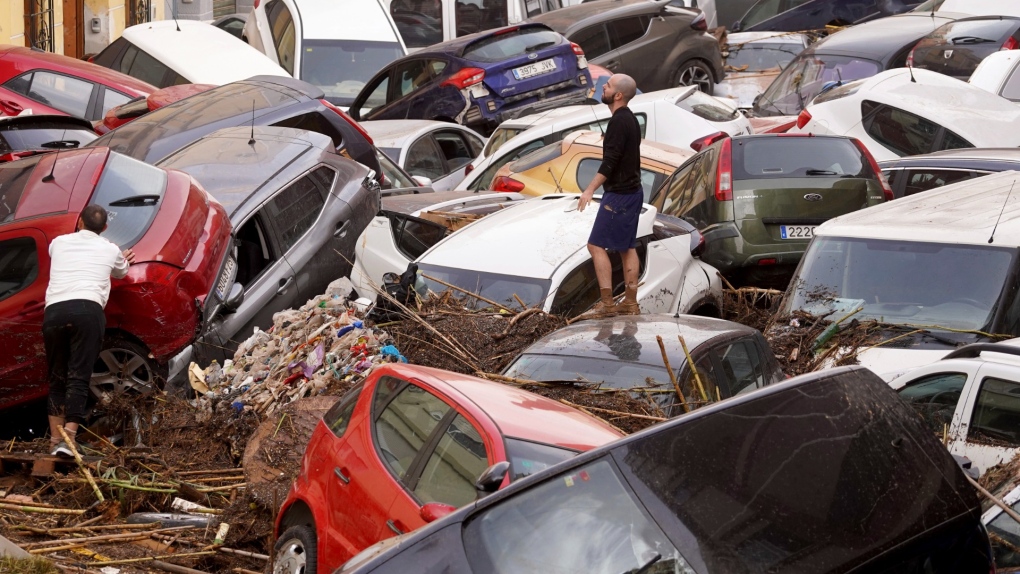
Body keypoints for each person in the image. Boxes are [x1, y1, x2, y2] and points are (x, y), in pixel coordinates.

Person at [44, 205, 134, 456]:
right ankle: (68, 441)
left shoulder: (58, 243)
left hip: (54, 313)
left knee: (57, 378)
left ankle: (54, 442)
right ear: (104, 228)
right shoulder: (110, 249)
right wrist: (123, 257)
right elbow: (122, 271)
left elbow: (59, 256)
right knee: (78, 376)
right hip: (87, 311)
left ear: (79, 222)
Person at [578, 73, 642, 318]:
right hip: (633, 191)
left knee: (595, 245)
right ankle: (631, 303)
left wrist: (589, 190)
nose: (602, 86)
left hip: (620, 195)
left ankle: (607, 306)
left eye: (608, 85)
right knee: (626, 246)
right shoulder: (630, 120)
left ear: (617, 95)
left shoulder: (618, 122)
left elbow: (610, 163)